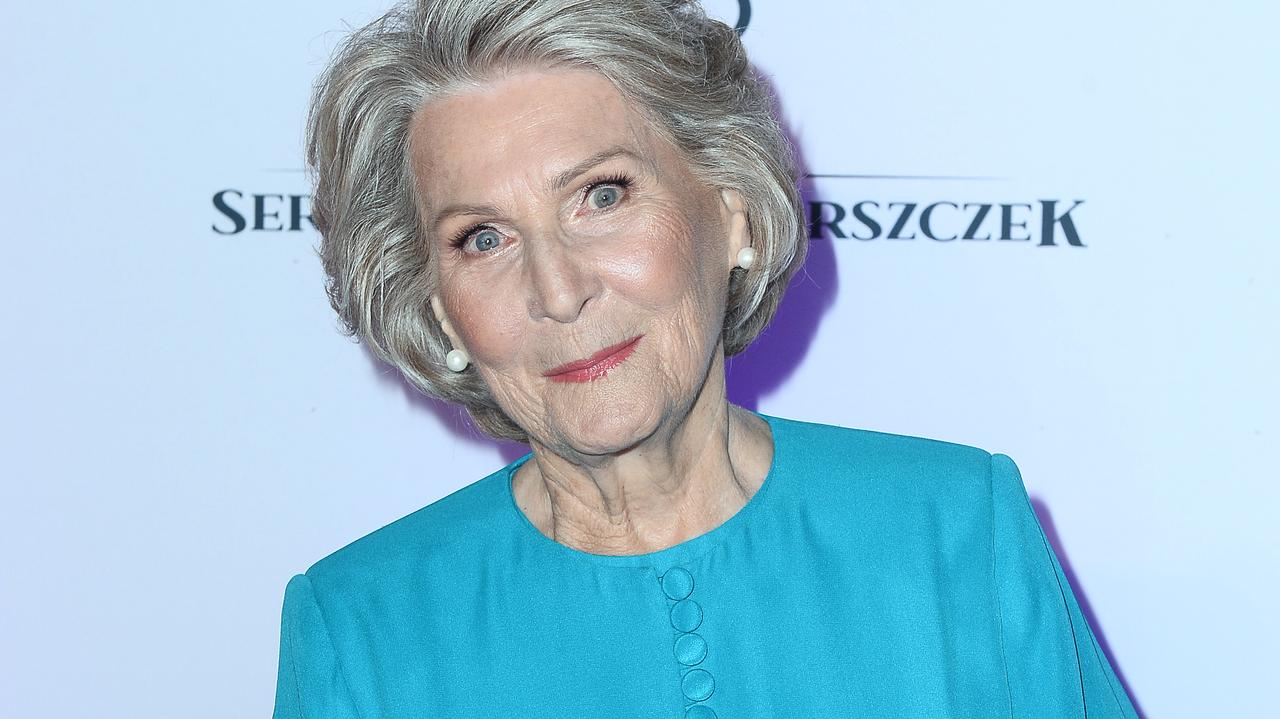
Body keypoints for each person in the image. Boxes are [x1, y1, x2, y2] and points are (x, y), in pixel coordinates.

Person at [272, 1, 1140, 716]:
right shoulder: (361, 628)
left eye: (601, 195)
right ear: (441, 311)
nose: (558, 290)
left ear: (730, 214)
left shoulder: (954, 528)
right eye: (483, 237)